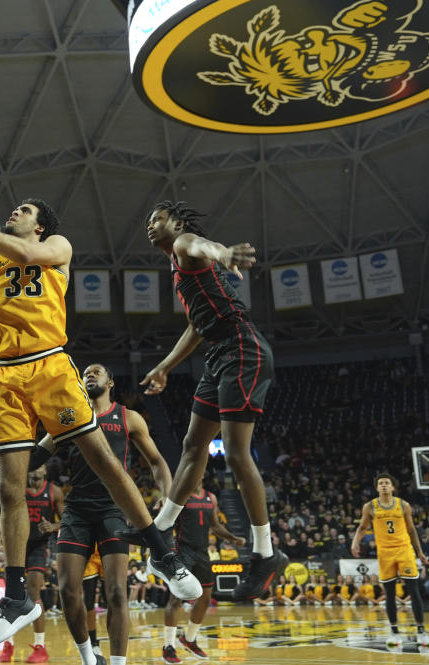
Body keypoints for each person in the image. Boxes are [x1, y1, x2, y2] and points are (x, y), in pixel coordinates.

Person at [0, 104, 201, 652]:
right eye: (11, 209)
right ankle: (16, 597)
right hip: (4, 377)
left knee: (106, 463)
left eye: (23, 210)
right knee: (12, 490)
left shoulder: (56, 250)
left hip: (51, 366)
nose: (13, 212)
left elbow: (11, 243)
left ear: (39, 224)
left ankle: (161, 552)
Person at [0, 362, 176, 665]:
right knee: (69, 593)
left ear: (110, 381)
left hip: (113, 509)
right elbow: (40, 452)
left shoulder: (129, 418)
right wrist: (3, 469)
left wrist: (167, 495)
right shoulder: (69, 416)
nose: (89, 375)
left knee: (117, 593)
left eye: (97, 371)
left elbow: (157, 461)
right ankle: (89, 658)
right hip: (77, 510)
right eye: (85, 374)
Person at [140, 200, 286, 600]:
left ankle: (264, 552)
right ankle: (163, 527)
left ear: (177, 223)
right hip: (219, 353)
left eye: (157, 218)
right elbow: (195, 326)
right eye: (148, 221)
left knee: (237, 454)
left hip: (243, 348)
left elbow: (206, 246)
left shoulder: (186, 243)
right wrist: (166, 367)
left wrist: (223, 253)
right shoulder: (176, 267)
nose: (150, 225)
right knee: (192, 444)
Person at [162, 482, 245, 663]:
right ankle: (168, 646)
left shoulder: (211, 497)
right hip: (182, 551)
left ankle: (189, 639)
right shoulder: (181, 494)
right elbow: (167, 522)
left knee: (205, 598)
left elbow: (215, 526)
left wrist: (233, 538)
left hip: (202, 553)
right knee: (175, 598)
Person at [351, 472, 429, 649]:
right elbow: (362, 527)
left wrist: (420, 552)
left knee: (414, 590)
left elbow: (412, 530)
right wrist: (355, 542)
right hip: (385, 553)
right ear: (377, 488)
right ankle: (394, 632)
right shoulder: (370, 506)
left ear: (393, 487)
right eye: (380, 483)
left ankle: (421, 632)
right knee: (389, 593)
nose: (384, 485)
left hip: (404, 550)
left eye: (387, 483)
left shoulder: (403, 505)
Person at [0, 464, 64, 663]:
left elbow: (67, 520)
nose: (36, 468)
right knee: (11, 594)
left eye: (41, 465)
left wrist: (53, 526)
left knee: (34, 592)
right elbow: (5, 515)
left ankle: (40, 647)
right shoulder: (17, 487)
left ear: (45, 470)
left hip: (37, 546)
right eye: (33, 464)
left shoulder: (54, 491)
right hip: (16, 544)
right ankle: (7, 643)